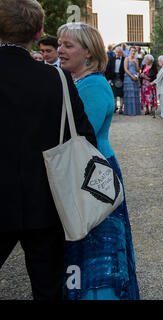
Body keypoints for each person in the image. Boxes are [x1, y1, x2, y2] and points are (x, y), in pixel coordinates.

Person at [0, 0, 96, 300]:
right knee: (48, 288)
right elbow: (85, 138)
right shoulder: (57, 79)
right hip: (45, 200)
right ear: (40, 31)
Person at [57, 22, 140, 300]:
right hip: (86, 170)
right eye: (60, 44)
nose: (60, 50)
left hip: (93, 173)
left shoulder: (92, 85)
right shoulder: (77, 81)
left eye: (68, 45)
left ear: (89, 53)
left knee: (97, 245)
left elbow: (80, 141)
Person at [105, 46, 125, 114]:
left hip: (121, 78)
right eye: (117, 52)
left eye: (119, 52)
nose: (118, 53)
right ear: (115, 52)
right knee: (114, 94)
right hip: (113, 78)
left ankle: (121, 108)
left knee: (121, 94)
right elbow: (107, 70)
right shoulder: (111, 59)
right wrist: (109, 79)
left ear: (121, 53)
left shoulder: (125, 59)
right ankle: (115, 107)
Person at [123, 46, 141, 116]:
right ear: (129, 51)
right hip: (128, 78)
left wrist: (137, 64)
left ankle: (135, 111)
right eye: (132, 51)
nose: (133, 52)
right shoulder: (126, 59)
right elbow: (125, 69)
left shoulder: (136, 60)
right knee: (129, 94)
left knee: (135, 94)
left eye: (134, 51)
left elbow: (137, 70)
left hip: (135, 78)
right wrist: (131, 76)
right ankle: (129, 111)